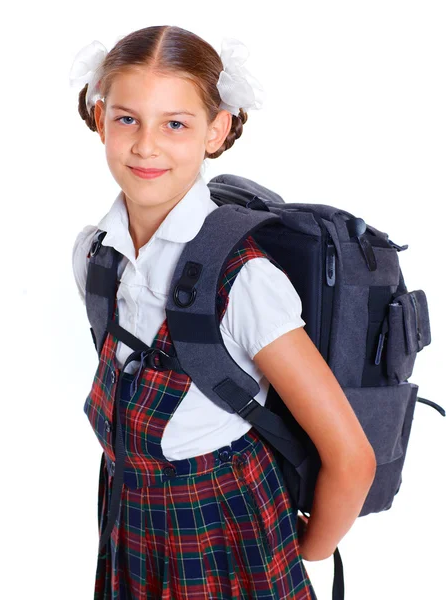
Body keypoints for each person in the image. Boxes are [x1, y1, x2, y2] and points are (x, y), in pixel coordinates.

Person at [70, 25, 377, 600]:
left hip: (224, 530)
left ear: (217, 129)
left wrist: (308, 549)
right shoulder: (96, 256)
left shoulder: (246, 284)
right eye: (127, 118)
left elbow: (352, 457)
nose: (146, 146)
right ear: (98, 116)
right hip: (129, 511)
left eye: (176, 124)